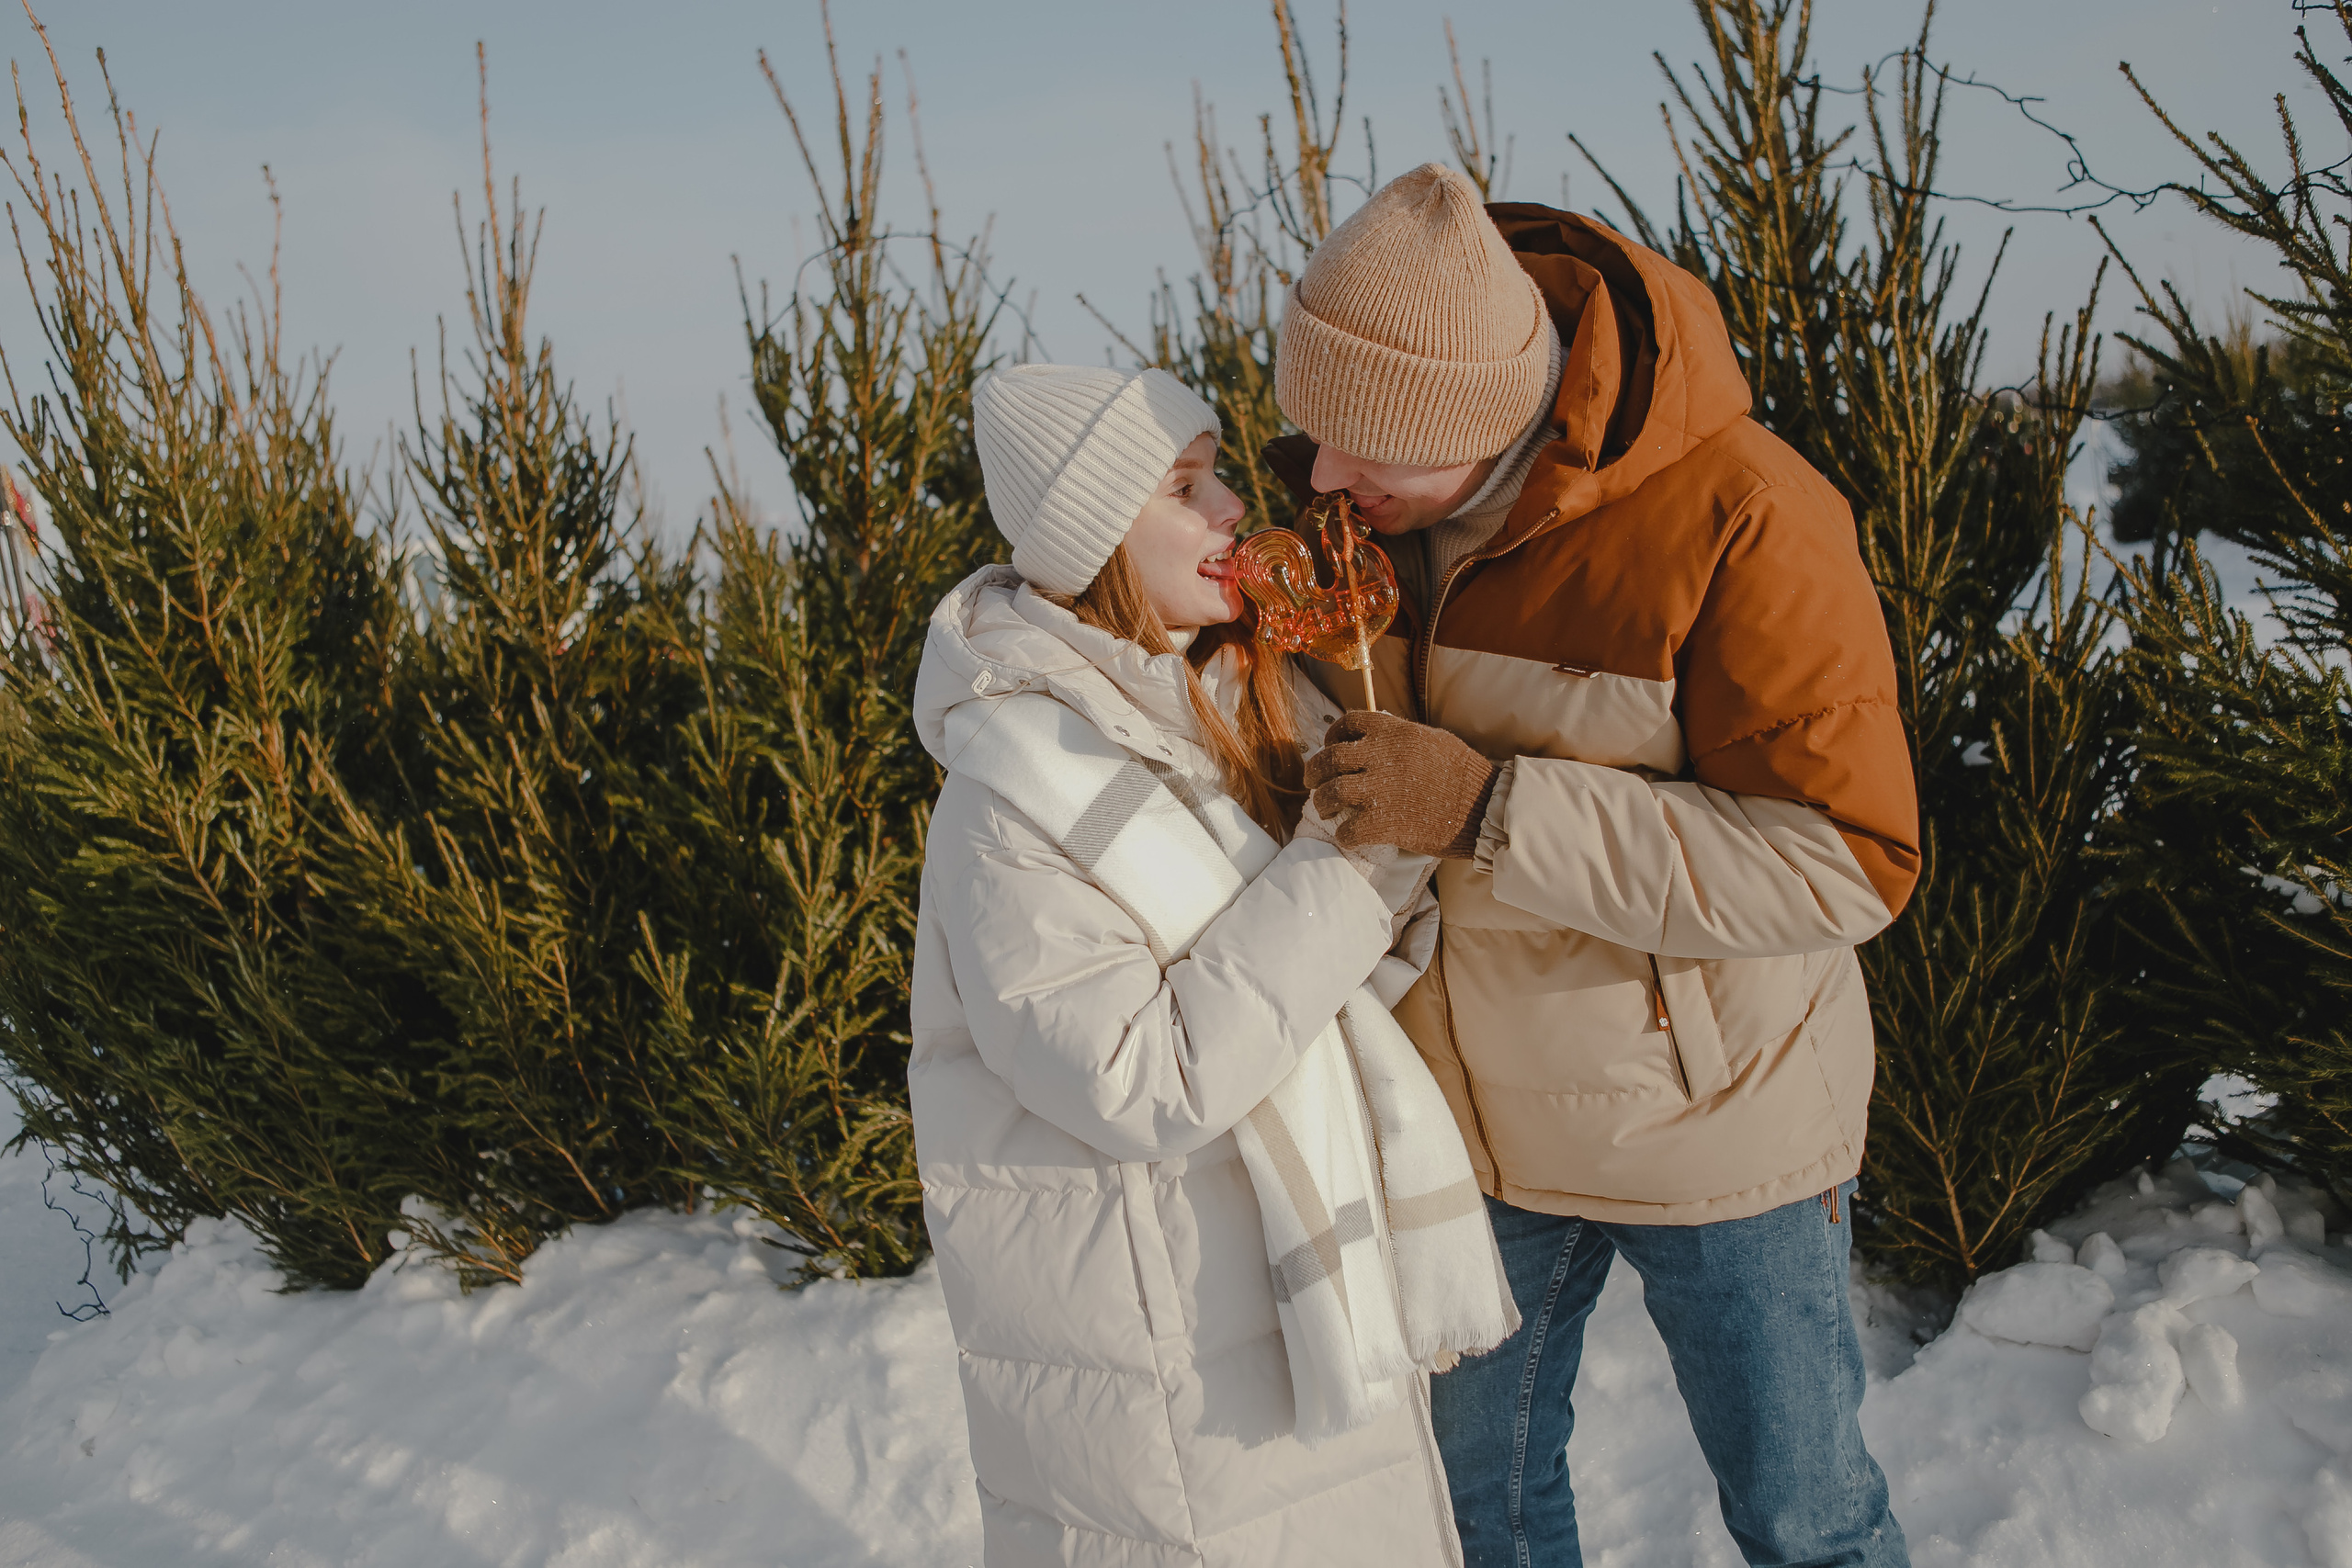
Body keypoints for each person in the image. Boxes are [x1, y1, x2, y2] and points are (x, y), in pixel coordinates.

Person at [1267, 163, 1920, 1567]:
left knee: (1806, 1521)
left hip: (1716, 1127)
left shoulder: (1744, 515)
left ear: (1475, 414)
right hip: (1467, 1134)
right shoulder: (1355, 530)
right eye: (1312, 432)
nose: (1320, 477)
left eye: (1361, 446)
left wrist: (1492, 807)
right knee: (1475, 1519)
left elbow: (1843, 864)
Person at [909, 363, 1510, 1568]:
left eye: (1219, 473)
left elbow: (1317, 1000)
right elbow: (1144, 1078)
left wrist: (1383, 851)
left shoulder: (1225, 711)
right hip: (1170, 1370)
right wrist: (1348, 864)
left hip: (1269, 1320)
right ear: (1096, 540)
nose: (1235, 506)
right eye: (1186, 487)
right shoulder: (1016, 794)